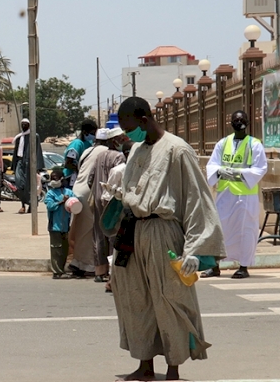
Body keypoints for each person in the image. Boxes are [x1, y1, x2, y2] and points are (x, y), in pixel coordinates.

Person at [113, 96, 226, 381]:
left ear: (143, 119)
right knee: (137, 299)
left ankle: (173, 367)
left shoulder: (178, 150)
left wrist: (195, 249)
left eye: (129, 128)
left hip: (163, 234)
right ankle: (145, 364)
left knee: (170, 300)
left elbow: (197, 201)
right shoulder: (137, 149)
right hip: (133, 232)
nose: (128, 135)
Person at [203, 110, 267, 279]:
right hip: (225, 194)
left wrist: (234, 173)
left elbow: (259, 168)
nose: (239, 122)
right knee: (220, 230)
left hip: (245, 196)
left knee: (246, 230)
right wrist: (225, 173)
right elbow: (212, 166)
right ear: (230, 122)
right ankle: (215, 266)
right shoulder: (223, 143)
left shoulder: (255, 144)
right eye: (235, 119)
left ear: (247, 121)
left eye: (242, 119)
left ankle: (243, 266)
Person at [67, 128, 109, 278]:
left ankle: (77, 261)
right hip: (89, 191)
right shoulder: (106, 151)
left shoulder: (88, 150)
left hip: (77, 190)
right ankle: (88, 264)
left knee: (79, 229)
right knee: (90, 230)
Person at [88, 127, 128, 283]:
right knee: (113, 233)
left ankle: (99, 271)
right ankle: (113, 272)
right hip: (113, 199)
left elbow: (90, 179)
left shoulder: (99, 156)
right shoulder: (119, 157)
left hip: (98, 197)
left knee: (98, 233)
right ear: (116, 140)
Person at [44, 167, 76, 279]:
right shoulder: (50, 194)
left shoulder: (69, 192)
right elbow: (50, 206)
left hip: (66, 226)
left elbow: (76, 203)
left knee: (64, 250)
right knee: (56, 249)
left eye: (56, 178)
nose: (53, 180)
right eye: (52, 178)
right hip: (54, 226)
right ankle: (56, 272)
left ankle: (61, 270)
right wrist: (61, 202)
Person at [12, 118, 45, 213]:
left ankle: (31, 205)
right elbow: (16, 151)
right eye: (22, 124)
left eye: (26, 124)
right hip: (20, 162)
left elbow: (38, 150)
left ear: (29, 125)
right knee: (19, 184)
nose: (24, 125)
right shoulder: (19, 137)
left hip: (30, 163)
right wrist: (14, 165)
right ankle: (23, 204)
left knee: (30, 185)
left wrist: (38, 167)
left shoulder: (35, 136)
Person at [63, 119, 98, 189]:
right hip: (71, 178)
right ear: (84, 132)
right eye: (92, 133)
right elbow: (68, 163)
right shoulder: (77, 144)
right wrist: (80, 171)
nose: (94, 136)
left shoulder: (88, 143)